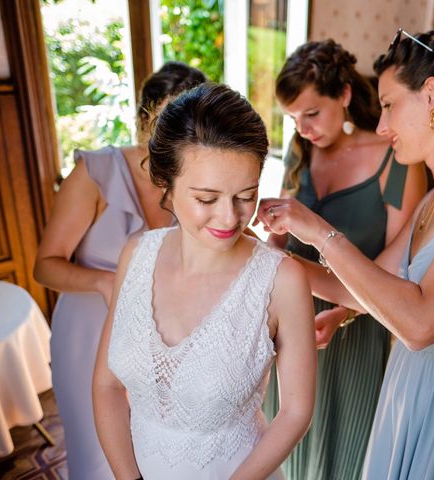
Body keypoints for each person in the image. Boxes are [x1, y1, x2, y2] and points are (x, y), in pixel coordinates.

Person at [257, 29, 434, 479]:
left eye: (390, 104)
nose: (381, 125)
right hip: (410, 388)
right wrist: (260, 257)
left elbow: (420, 322)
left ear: (431, 95)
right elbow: (359, 285)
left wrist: (317, 229)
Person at [92, 83, 317, 480]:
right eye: (207, 199)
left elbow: (296, 411)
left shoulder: (281, 280)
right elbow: (107, 386)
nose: (230, 218)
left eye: (245, 195)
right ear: (165, 182)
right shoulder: (135, 256)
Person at [262, 39, 427, 480]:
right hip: (290, 316)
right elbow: (280, 239)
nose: (303, 129)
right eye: (293, 118)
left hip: (356, 322)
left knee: (342, 445)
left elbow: (398, 273)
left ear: (346, 97)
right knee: (283, 431)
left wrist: (341, 314)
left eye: (312, 114)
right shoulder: (301, 151)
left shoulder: (398, 162)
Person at [33, 61, 207, 479]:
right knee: (97, 455)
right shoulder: (94, 174)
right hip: (90, 333)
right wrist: (105, 282)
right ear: (144, 119)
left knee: (154, 454)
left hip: (163, 338)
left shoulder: (194, 180)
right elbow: (45, 266)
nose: (178, 138)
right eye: (169, 122)